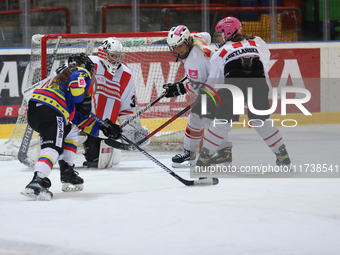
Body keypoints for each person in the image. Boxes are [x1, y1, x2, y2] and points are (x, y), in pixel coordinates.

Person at [21, 53, 122, 201]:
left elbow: (79, 119)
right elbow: (77, 85)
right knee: (53, 148)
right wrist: (83, 99)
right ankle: (38, 180)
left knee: (72, 129)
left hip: (38, 110)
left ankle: (67, 171)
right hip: (51, 109)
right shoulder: (80, 71)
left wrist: (103, 128)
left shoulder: (62, 77)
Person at [196, 17, 291, 167]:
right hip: (259, 82)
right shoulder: (257, 42)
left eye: (220, 34)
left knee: (223, 122)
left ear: (228, 33)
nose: (218, 38)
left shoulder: (221, 52)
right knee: (261, 121)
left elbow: (213, 83)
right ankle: (283, 155)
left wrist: (202, 96)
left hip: (235, 83)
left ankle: (204, 158)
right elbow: (263, 61)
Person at [164, 25, 233, 168]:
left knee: (207, 119)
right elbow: (206, 35)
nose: (177, 50)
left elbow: (199, 87)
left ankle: (224, 152)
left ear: (188, 41)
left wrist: (179, 88)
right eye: (174, 47)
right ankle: (191, 152)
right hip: (220, 80)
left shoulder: (195, 62)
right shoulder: (197, 38)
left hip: (220, 88)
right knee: (195, 118)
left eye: (180, 46)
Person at [82, 37, 147, 168]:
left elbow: (127, 108)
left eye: (119, 56)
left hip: (103, 128)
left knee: (96, 162)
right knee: (62, 146)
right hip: (79, 119)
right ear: (103, 54)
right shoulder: (90, 63)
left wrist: (132, 131)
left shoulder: (126, 74)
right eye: (113, 56)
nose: (116, 60)